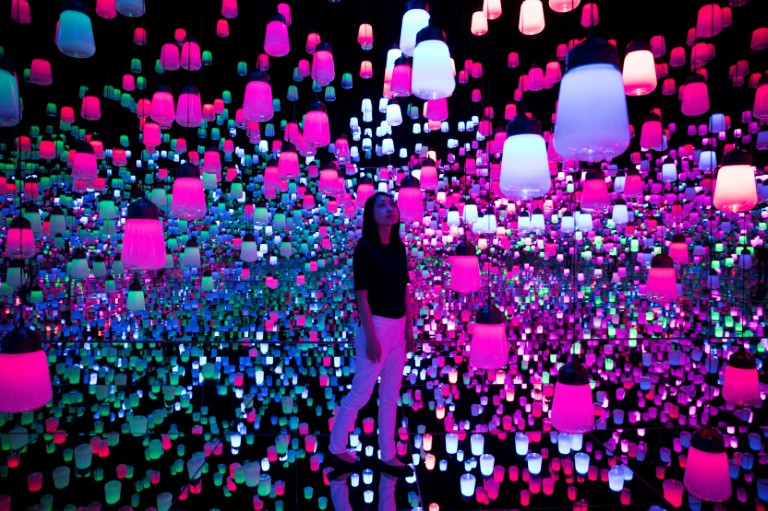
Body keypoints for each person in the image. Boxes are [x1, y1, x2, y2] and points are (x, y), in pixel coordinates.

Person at [328, 192, 415, 478]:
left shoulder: (399, 248)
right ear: (371, 215)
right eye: (382, 205)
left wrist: (409, 329)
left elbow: (405, 291)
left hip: (398, 328)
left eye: (392, 203)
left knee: (390, 396)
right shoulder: (365, 248)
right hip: (375, 326)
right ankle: (336, 445)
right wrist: (370, 336)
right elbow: (361, 295)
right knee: (361, 393)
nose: (390, 208)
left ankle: (388, 454)